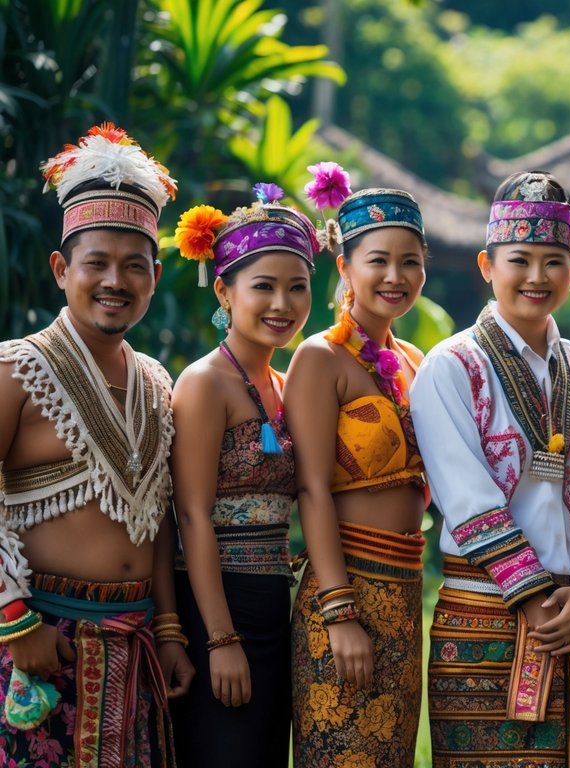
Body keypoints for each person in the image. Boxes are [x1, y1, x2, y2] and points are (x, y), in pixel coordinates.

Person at [412, 170, 570, 767]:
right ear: (487, 265)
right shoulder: (450, 366)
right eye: (519, 259)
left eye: (553, 261)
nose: (536, 276)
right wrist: (535, 600)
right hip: (485, 615)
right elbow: (465, 494)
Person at [0, 123, 192, 764]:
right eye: (97, 264)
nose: (116, 280)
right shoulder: (16, 370)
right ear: (61, 269)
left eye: (134, 266)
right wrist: (13, 618)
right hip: (38, 646)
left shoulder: (156, 384)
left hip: (132, 649)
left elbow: (159, 519)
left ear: (156, 276)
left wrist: (168, 628)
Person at [168, 184, 318, 766]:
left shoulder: (285, 387)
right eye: (263, 286)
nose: (282, 302)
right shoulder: (205, 383)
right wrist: (220, 640)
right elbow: (190, 515)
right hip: (217, 603)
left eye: (297, 286)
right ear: (226, 292)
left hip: (271, 603)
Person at [284, 175, 429, 768]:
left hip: (405, 589)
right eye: (378, 261)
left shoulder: (416, 362)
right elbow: (311, 489)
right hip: (344, 588)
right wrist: (339, 610)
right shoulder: (320, 358)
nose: (395, 276)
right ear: (344, 265)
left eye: (410, 262)